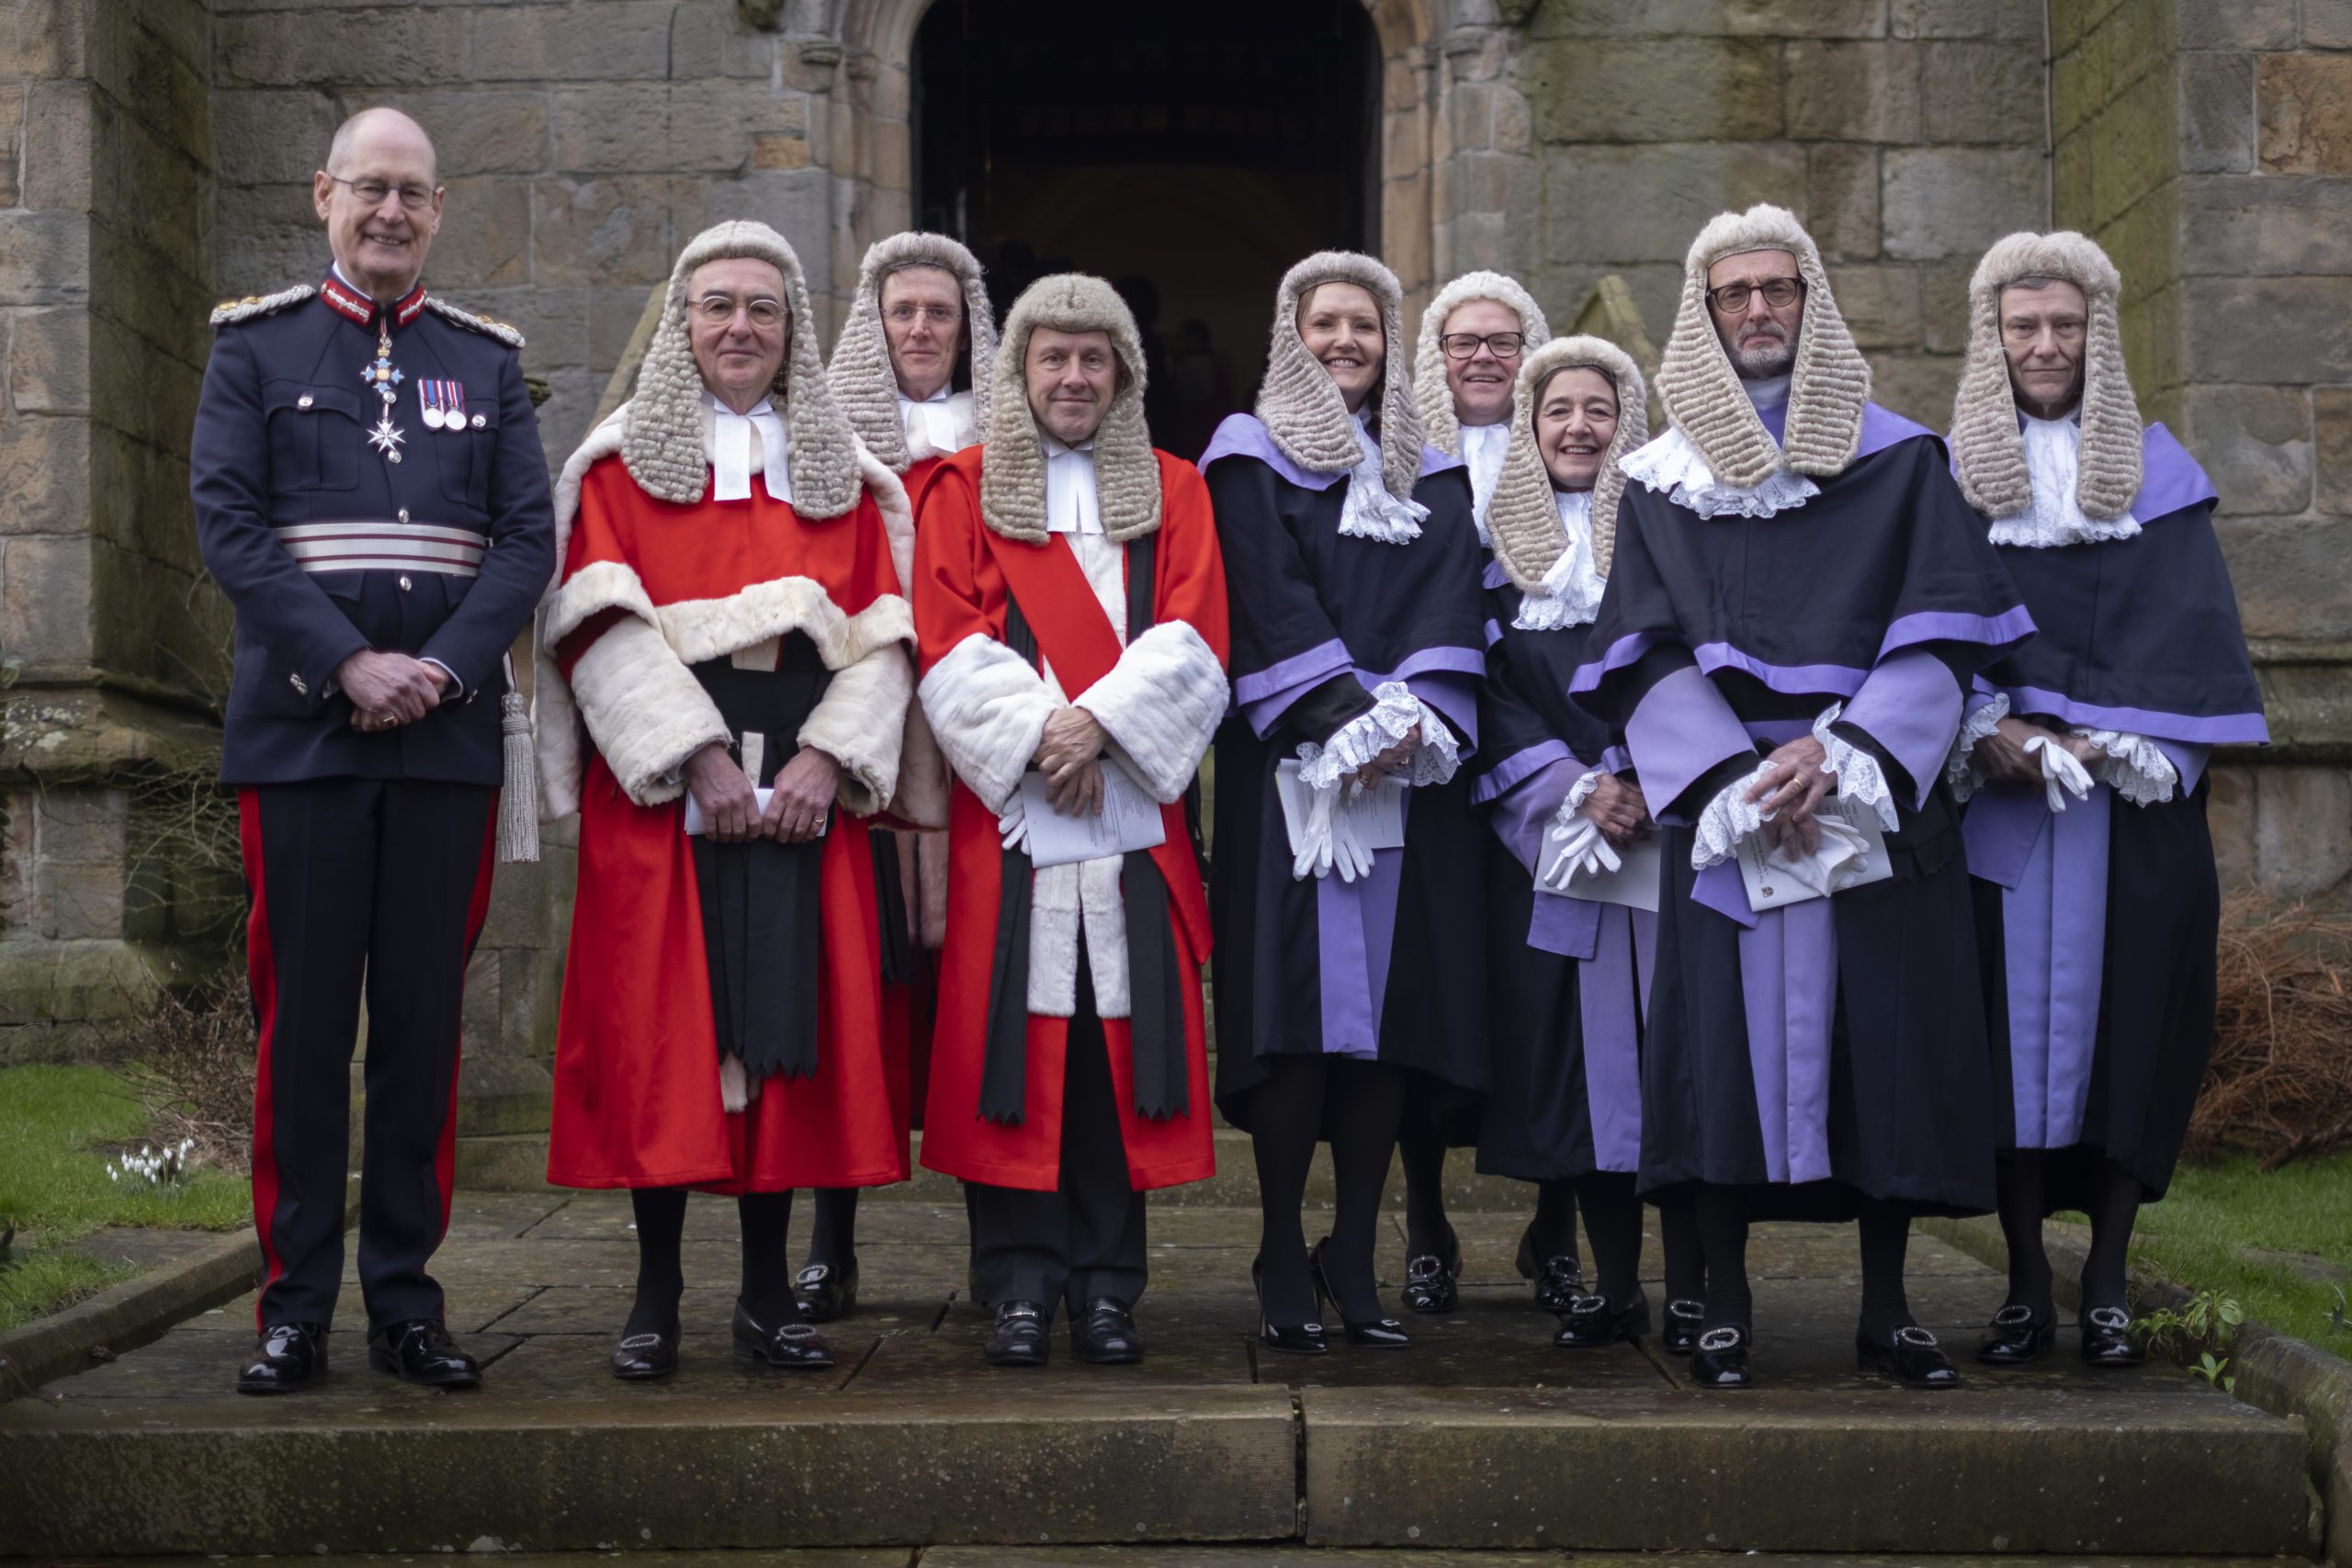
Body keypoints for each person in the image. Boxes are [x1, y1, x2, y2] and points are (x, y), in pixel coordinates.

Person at [1572, 205, 2032, 1391]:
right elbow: (1640, 647)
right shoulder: (1660, 485)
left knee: (1889, 1047)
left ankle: (1890, 1309)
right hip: (1726, 801)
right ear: (1706, 311)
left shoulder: (1903, 460)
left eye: (1778, 287)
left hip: (1874, 794)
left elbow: (1944, 627)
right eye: (1735, 293)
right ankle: (1723, 1301)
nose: (1759, 308)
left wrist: (1848, 755)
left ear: (1810, 301)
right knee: (1720, 1056)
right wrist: (1732, 778)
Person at [194, 107, 555, 1395]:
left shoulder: (486, 363)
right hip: (302, 745)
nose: (390, 212)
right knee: (302, 1033)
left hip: (444, 747)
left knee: (419, 1028)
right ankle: (292, 1305)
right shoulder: (255, 348)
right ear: (323, 198)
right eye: (369, 190)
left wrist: (444, 669)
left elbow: (526, 540)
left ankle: (406, 1298)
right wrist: (345, 662)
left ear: (440, 209)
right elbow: (228, 523)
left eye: (413, 193)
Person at [535, 220, 919, 1379]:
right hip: (663, 795)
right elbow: (594, 623)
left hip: (802, 791)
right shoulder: (613, 471)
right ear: (681, 322)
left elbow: (889, 637)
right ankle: (656, 1292)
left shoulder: (842, 477)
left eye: (763, 307)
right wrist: (698, 758)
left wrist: (826, 761)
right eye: (716, 306)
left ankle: (763, 1294)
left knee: (783, 1038)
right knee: (666, 1041)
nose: (739, 327)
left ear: (791, 328)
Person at [1944, 232, 2266, 1368]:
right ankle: (2027, 1274)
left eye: (2064, 326)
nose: (2043, 345)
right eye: (2022, 326)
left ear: (2097, 336)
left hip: (2134, 819)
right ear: (1994, 336)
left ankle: (2113, 1269)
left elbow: (2193, 644)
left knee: (2132, 1030)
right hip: (2006, 815)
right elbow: (1927, 631)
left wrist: (2124, 739)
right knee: (2002, 1045)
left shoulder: (2160, 477)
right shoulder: (1953, 484)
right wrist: (1991, 731)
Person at [913, 274, 1229, 1368]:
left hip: (1127, 810)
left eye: (1095, 359)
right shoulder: (958, 489)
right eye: (1053, 358)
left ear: (1125, 375)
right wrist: (1048, 738)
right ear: (1019, 371)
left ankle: (1106, 1287)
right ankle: (1014, 1283)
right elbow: (945, 636)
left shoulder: (1176, 491)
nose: (1074, 377)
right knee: (1016, 1045)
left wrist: (1095, 727)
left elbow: (1194, 633)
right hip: (1012, 820)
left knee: (1109, 1052)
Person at [1204, 252, 1487, 1354]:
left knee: (1387, 1028)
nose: (1344, 343)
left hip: (1406, 779)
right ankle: (1281, 1243)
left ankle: (1355, 1248)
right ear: (1293, 334)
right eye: (1323, 324)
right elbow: (1260, 594)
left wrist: (1411, 717)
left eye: (1363, 326)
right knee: (1298, 1025)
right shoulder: (1247, 454)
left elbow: (1452, 592)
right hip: (1292, 771)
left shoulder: (1435, 470)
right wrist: (1343, 715)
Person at [1471, 335, 1707, 1351]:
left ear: (1628, 427)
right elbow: (1480, 694)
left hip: (1670, 835)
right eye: (1557, 409)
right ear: (1528, 425)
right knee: (1584, 1076)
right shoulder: (1483, 558)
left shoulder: (1674, 537)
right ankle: (1614, 1288)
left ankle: (1695, 1285)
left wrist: (1658, 773)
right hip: (1558, 848)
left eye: (1598, 410)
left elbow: (1710, 663)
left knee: (1687, 1065)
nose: (1577, 425)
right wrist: (1575, 787)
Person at [804, 231, 996, 1322]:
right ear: (872, 327)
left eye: (939, 313)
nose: (920, 330)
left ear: (969, 327)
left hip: (970, 753)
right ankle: (833, 1242)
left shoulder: (1003, 442)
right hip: (865, 746)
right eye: (901, 313)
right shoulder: (825, 442)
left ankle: (991, 1237)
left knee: (975, 996)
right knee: (853, 997)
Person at [1396, 268, 1554, 1315]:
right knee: (1435, 993)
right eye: (1463, 343)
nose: (1484, 358)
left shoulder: (1586, 459)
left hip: (1552, 767)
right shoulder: (1402, 477)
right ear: (1434, 360)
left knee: (1552, 998)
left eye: (1504, 341)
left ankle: (1561, 1223)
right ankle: (1424, 1219)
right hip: (1441, 781)